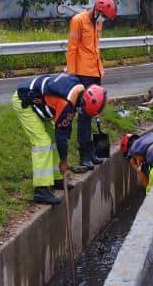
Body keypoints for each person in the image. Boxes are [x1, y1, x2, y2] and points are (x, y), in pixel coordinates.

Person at [12, 73, 107, 205]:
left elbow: (64, 129)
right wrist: (64, 161)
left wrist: (64, 158)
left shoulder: (79, 91)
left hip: (39, 105)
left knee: (54, 140)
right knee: (42, 142)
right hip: (25, 103)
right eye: (85, 110)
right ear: (85, 102)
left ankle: (56, 179)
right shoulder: (67, 103)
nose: (83, 112)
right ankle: (40, 190)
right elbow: (61, 134)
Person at [67, 0, 117, 170]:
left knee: (96, 111)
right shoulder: (77, 21)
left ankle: (93, 152)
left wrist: (99, 71)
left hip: (96, 71)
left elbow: (95, 47)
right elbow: (72, 49)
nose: (102, 18)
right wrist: (73, 76)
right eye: (102, 14)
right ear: (96, 8)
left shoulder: (98, 22)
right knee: (84, 115)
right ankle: (84, 155)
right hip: (82, 74)